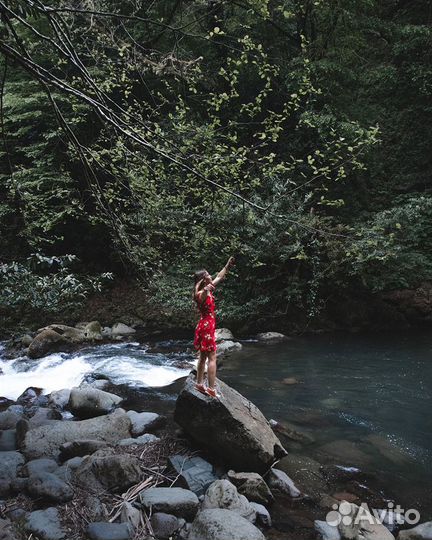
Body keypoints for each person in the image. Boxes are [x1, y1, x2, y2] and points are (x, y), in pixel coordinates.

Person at [192, 256, 235, 398]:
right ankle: (211, 388)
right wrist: (206, 289)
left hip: (205, 325)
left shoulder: (208, 289)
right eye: (208, 275)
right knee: (212, 357)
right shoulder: (201, 293)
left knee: (203, 356)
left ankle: (199, 383)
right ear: (204, 279)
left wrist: (227, 265)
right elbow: (202, 294)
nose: (211, 275)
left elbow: (220, 276)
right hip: (206, 326)